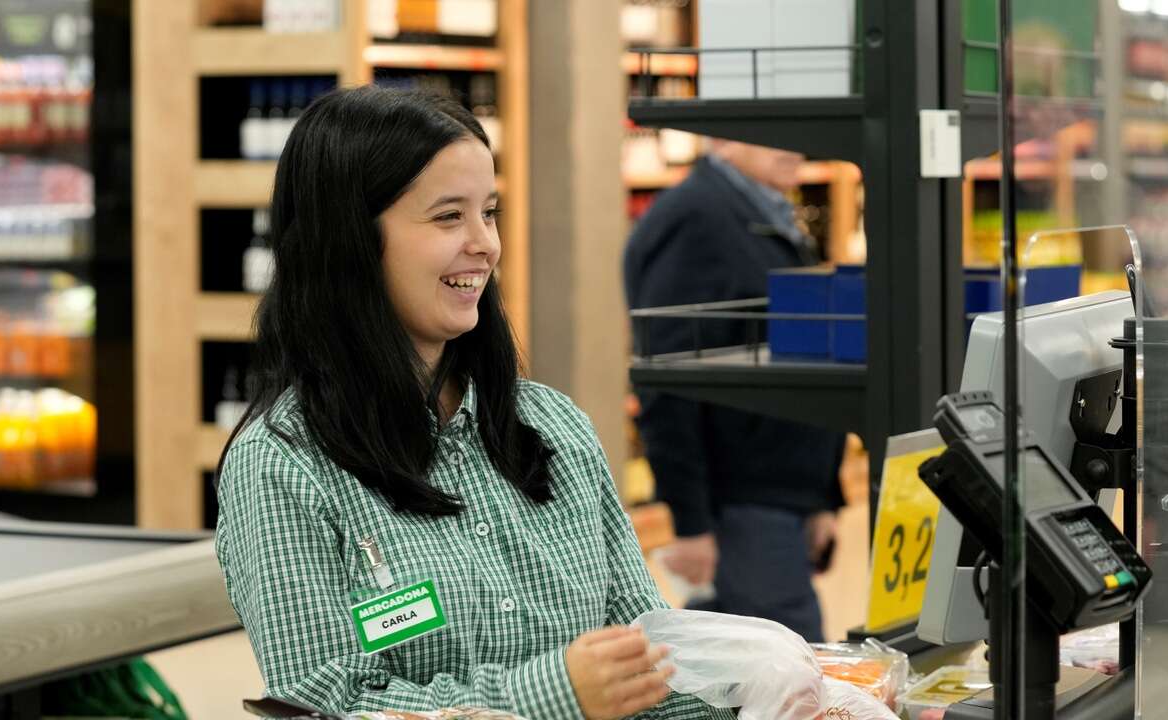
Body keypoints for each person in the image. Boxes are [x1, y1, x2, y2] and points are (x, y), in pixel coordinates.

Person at [215, 86, 729, 720]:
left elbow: (646, 661)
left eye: (489, 212)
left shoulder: (552, 425)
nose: (485, 244)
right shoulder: (283, 466)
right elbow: (327, 704)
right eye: (447, 216)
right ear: (348, 240)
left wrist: (773, 699)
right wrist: (555, 695)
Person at [623, 139, 847, 643]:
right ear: (722, 135)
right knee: (789, 675)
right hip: (742, 507)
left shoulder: (761, 210)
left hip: (781, 500)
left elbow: (798, 349)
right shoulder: (697, 220)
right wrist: (691, 523)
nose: (794, 142)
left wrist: (820, 494)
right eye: (771, 126)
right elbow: (667, 379)